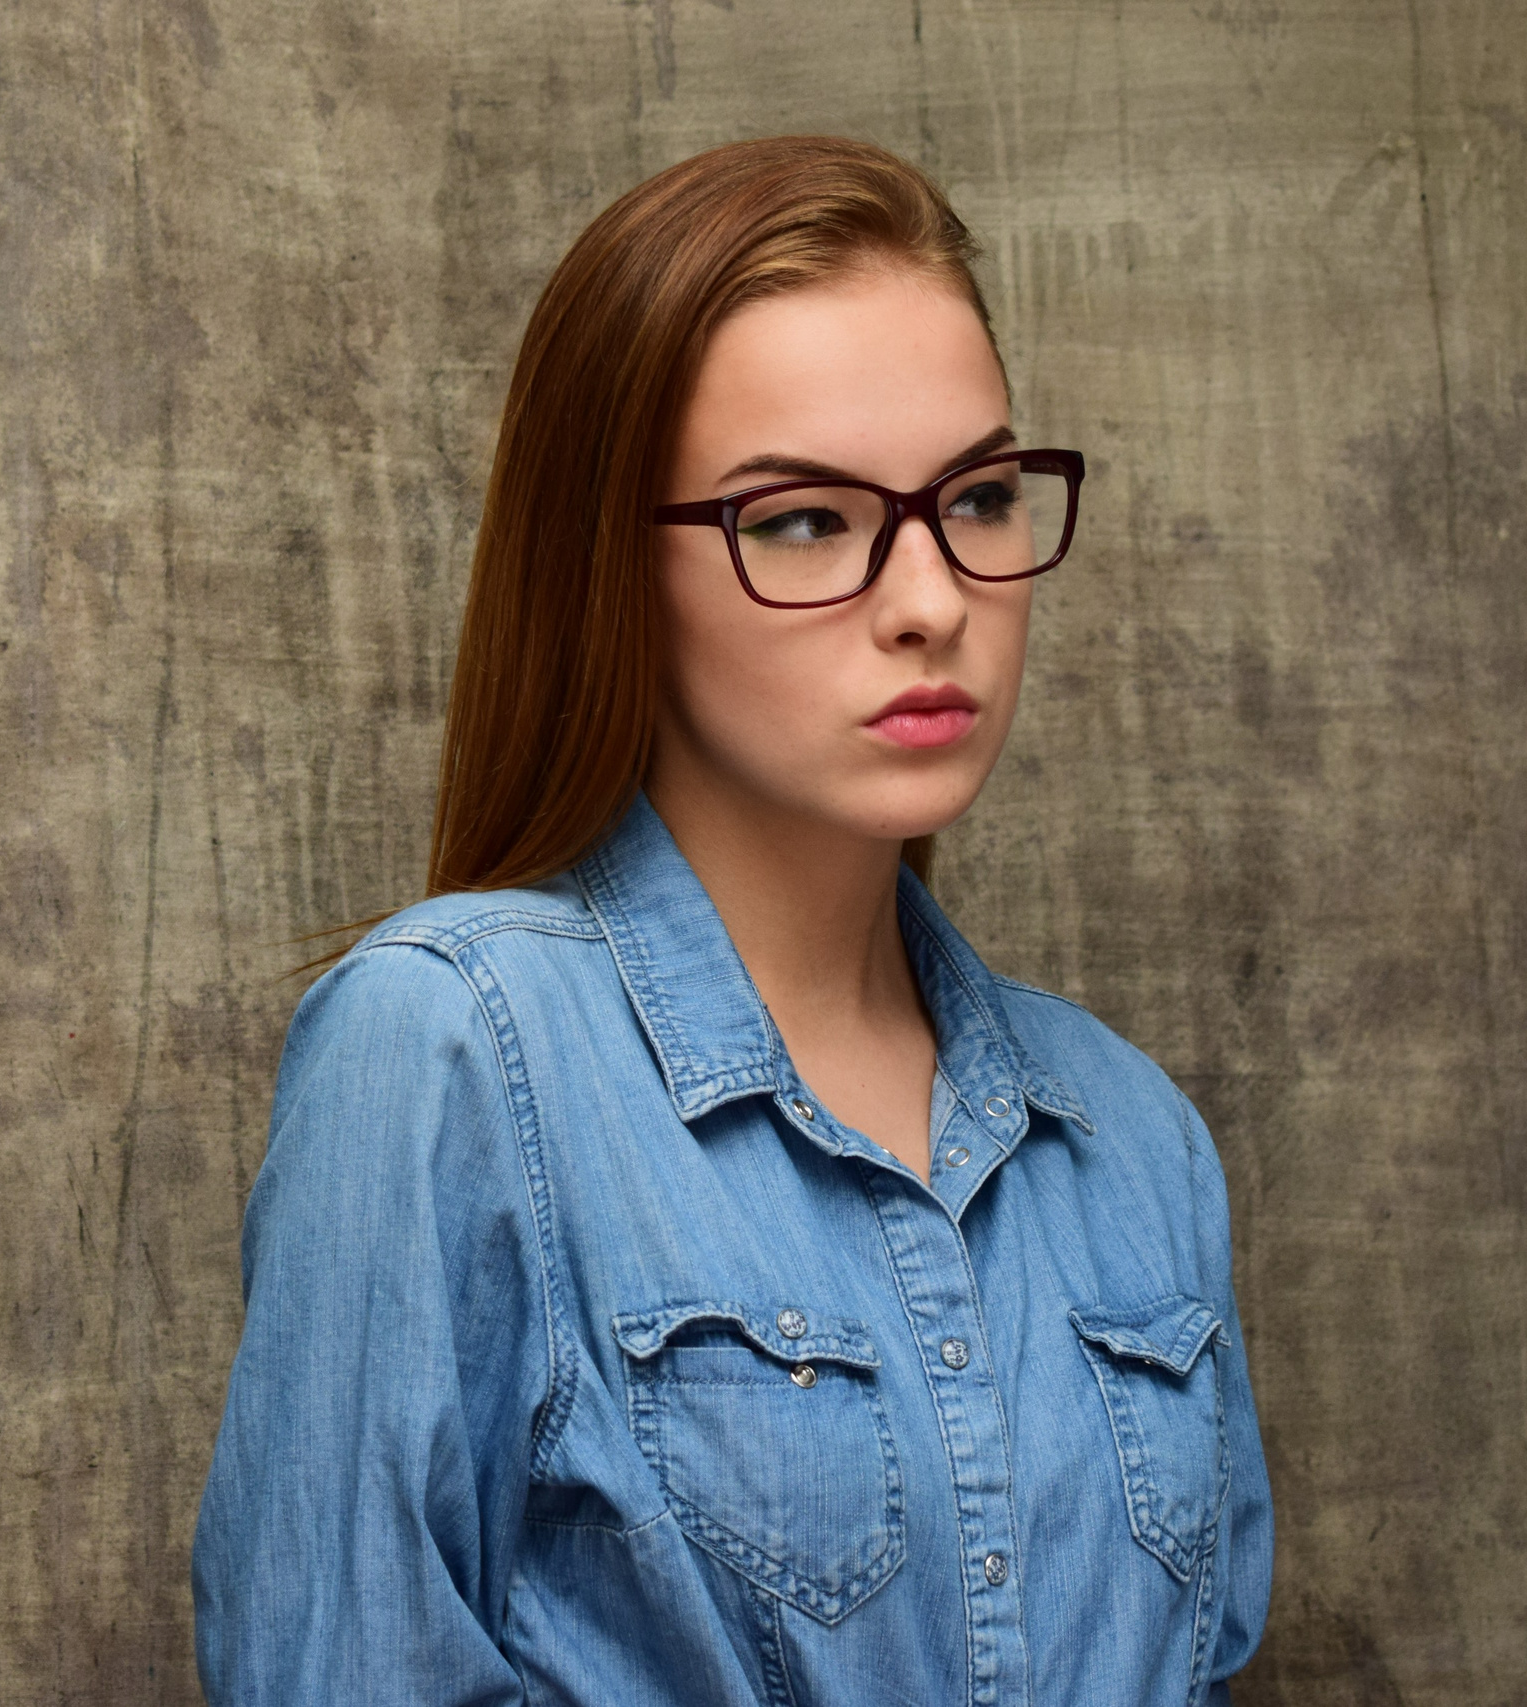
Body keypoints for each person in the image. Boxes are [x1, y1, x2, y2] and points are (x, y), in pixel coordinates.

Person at [192, 135, 1272, 1707]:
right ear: (611, 569)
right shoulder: (452, 1055)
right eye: (805, 521)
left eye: (978, 498)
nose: (932, 601)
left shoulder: (1136, 1142)